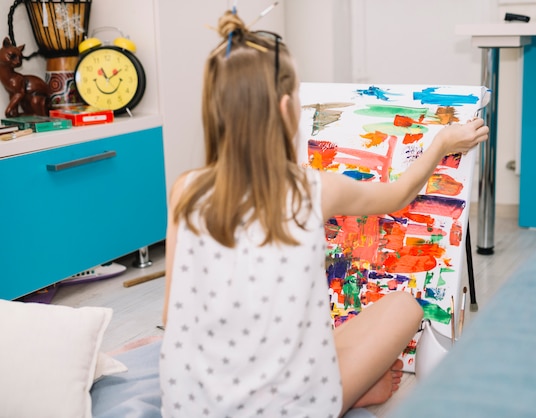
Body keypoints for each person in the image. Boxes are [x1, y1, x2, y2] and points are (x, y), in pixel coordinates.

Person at [159, 9, 489, 418]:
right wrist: (440, 143)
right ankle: (352, 394)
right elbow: (399, 194)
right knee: (405, 307)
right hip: (289, 405)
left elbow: (170, 318)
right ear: (284, 109)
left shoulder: (185, 191)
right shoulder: (310, 188)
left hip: (191, 404)